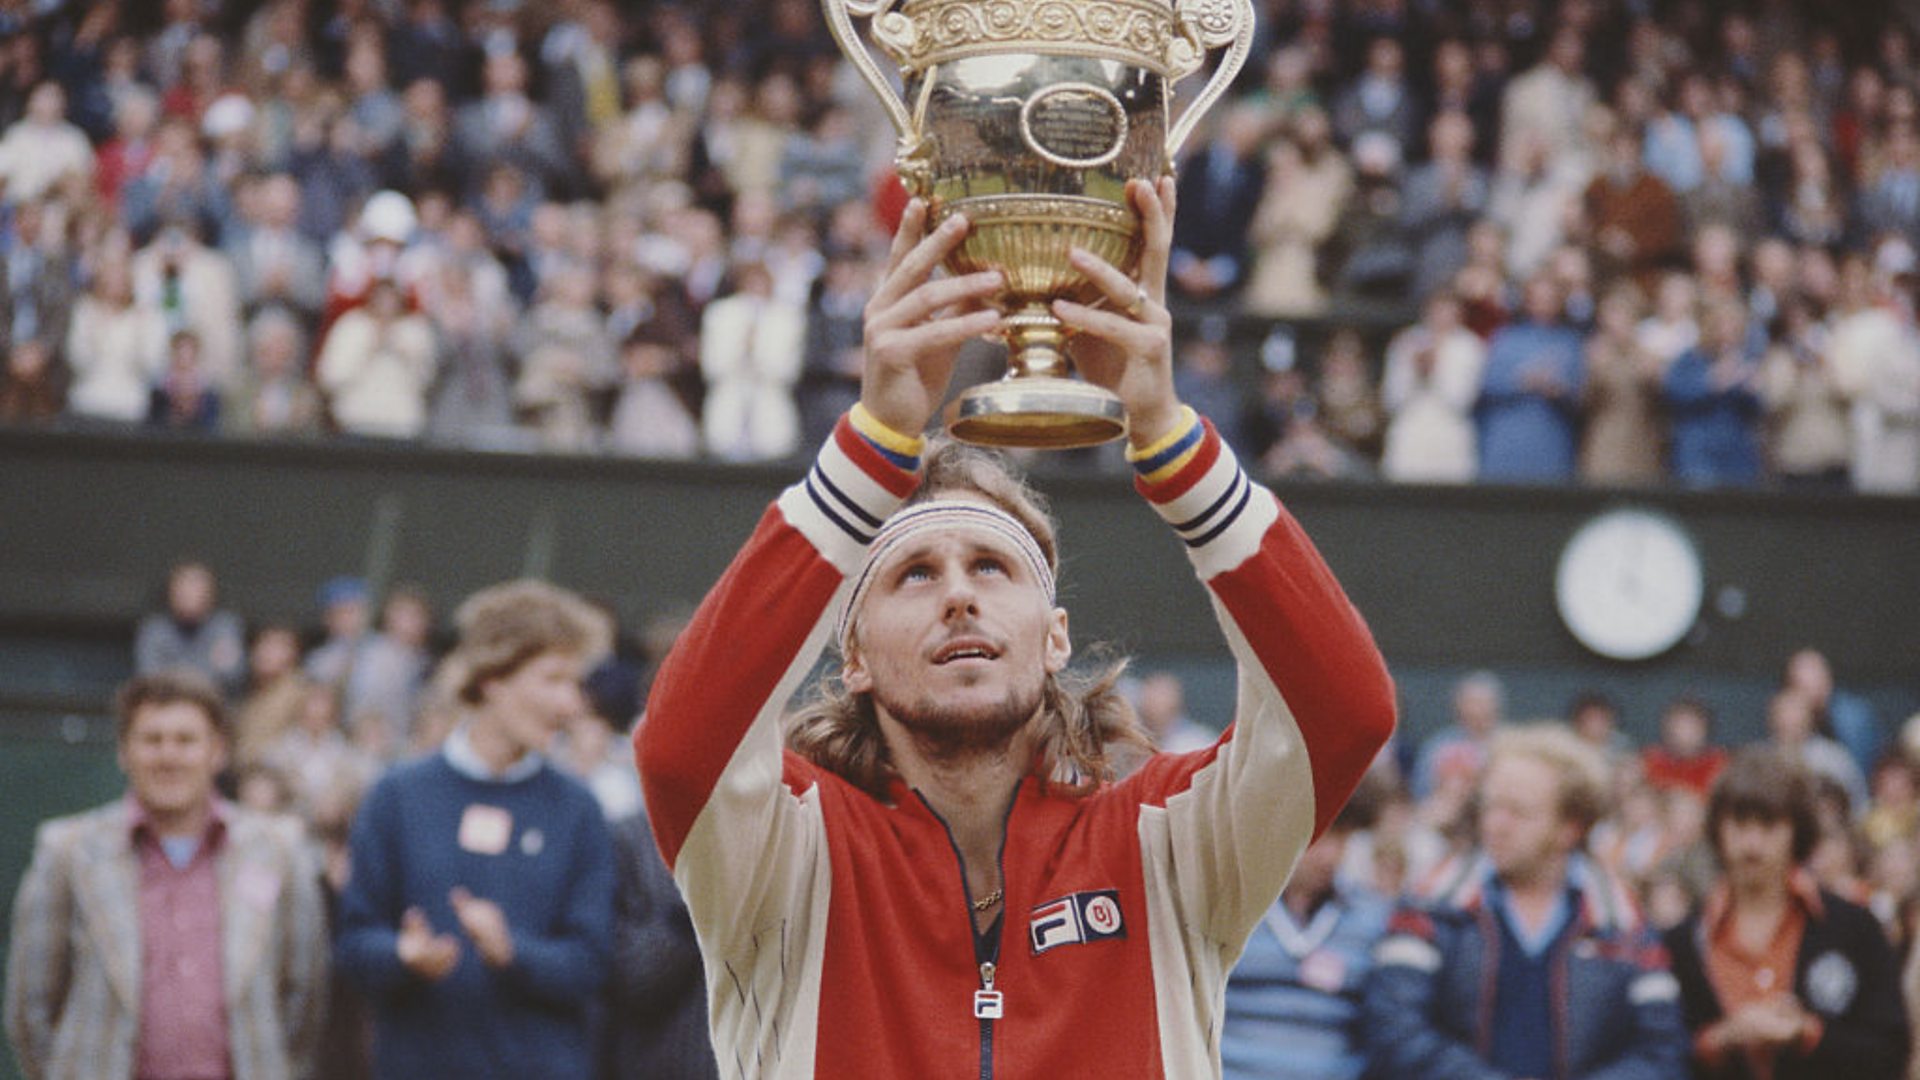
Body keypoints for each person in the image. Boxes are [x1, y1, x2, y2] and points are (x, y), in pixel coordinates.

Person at [635, 179, 1396, 1076]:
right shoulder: (781, 847)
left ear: (1056, 636)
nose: (958, 596)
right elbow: (682, 747)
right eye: (914, 575)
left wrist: (1167, 434)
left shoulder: (1171, 840)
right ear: (854, 658)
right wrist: (873, 443)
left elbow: (1345, 712)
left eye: (991, 569)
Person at [334, 579, 616, 1080]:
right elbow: (353, 946)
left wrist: (514, 952)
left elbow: (593, 965)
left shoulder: (580, 811)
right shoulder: (395, 797)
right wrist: (402, 954)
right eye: (553, 679)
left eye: (575, 683)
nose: (571, 704)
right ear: (491, 678)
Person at [4, 670, 329, 1080]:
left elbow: (302, 1000)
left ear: (218, 751)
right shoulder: (68, 852)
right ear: (124, 751)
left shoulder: (278, 851)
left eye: (186, 740)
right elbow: (30, 1009)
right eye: (152, 739)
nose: (168, 756)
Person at [1364, 725, 1690, 1079]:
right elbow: (1392, 1029)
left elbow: (1662, 1050)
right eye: (1490, 806)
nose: (1494, 825)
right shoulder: (1433, 903)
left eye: (1517, 812)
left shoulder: (1622, 920)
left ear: (1571, 827)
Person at [1664, 750, 1908, 1079]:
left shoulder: (1854, 928)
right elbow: (1655, 1053)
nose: (1751, 843)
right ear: (1717, 830)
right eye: (1738, 823)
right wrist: (1721, 1039)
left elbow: (1891, 1051)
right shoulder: (1682, 942)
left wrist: (1808, 1033)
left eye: (1768, 825)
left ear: (1797, 830)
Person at [1220, 790, 1392, 1080]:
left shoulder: (1372, 919)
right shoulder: (1228, 908)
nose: (1331, 856)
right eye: (1321, 836)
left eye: (1343, 838)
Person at [603, 801, 719, 1079]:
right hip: (661, 1062)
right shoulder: (630, 837)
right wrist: (688, 913)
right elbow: (629, 980)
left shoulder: (770, 832)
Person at [133, 558, 247, 697]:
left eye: (197, 589)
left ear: (211, 594)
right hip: (166, 705)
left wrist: (175, 675)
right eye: (183, 590)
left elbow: (231, 675)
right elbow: (149, 676)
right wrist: (202, 674)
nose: (190, 596)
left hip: (213, 705)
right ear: (170, 593)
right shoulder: (154, 629)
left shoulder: (225, 625)